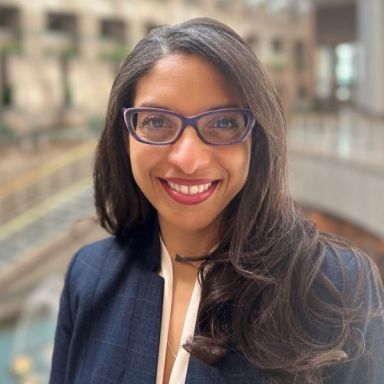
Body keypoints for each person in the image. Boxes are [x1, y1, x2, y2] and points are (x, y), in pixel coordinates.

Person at [49, 18, 384, 384]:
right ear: (124, 134)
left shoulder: (336, 287)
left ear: (257, 138)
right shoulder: (90, 275)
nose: (188, 160)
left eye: (224, 123)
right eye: (157, 121)